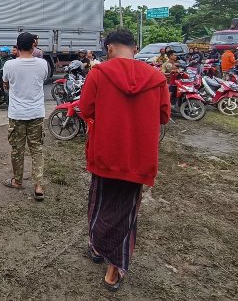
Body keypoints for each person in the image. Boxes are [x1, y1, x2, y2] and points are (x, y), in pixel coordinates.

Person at [77, 29, 170, 292]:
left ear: (108, 48)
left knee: (101, 203)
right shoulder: (157, 77)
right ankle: (113, 270)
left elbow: (85, 110)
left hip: (105, 152)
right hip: (139, 157)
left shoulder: (98, 73)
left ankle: (97, 246)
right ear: (136, 48)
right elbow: (164, 116)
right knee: (126, 212)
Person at [1, 32, 49, 201]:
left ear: (17, 46)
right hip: (36, 113)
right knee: (37, 149)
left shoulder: (9, 65)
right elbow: (41, 80)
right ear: (33, 46)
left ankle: (18, 180)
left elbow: (6, 84)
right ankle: (38, 186)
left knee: (17, 149)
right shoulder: (42, 64)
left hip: (17, 114)